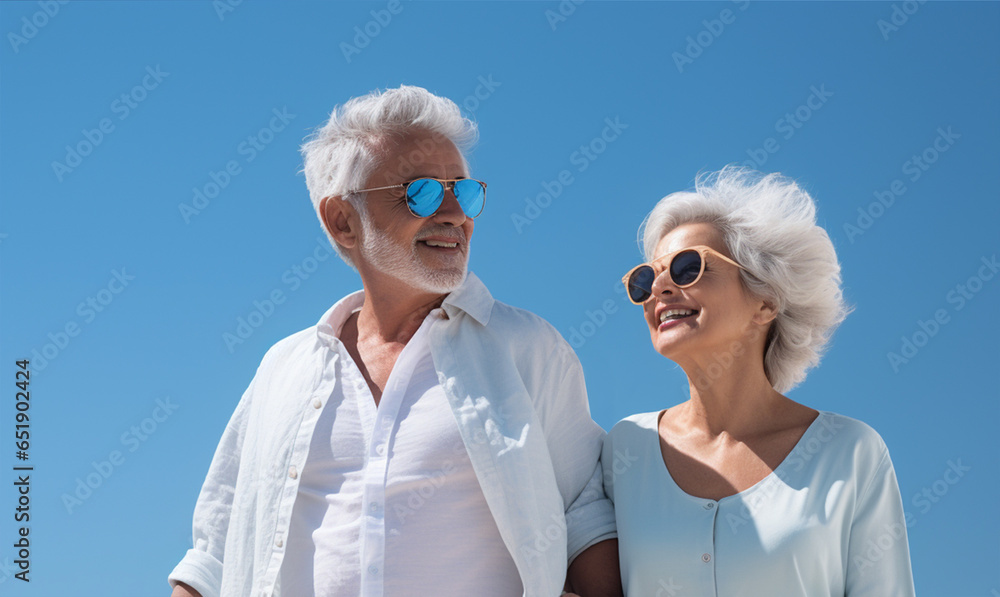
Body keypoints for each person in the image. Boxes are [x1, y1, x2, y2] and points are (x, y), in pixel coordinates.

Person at [167, 85, 621, 597]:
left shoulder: (529, 348)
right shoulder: (283, 367)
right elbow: (215, 549)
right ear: (342, 220)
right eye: (422, 191)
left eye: (465, 192)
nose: (455, 214)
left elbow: (585, 514)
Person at [603, 167, 915, 596]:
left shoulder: (850, 454)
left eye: (687, 267)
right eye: (644, 281)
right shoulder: (624, 450)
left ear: (765, 302)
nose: (659, 288)